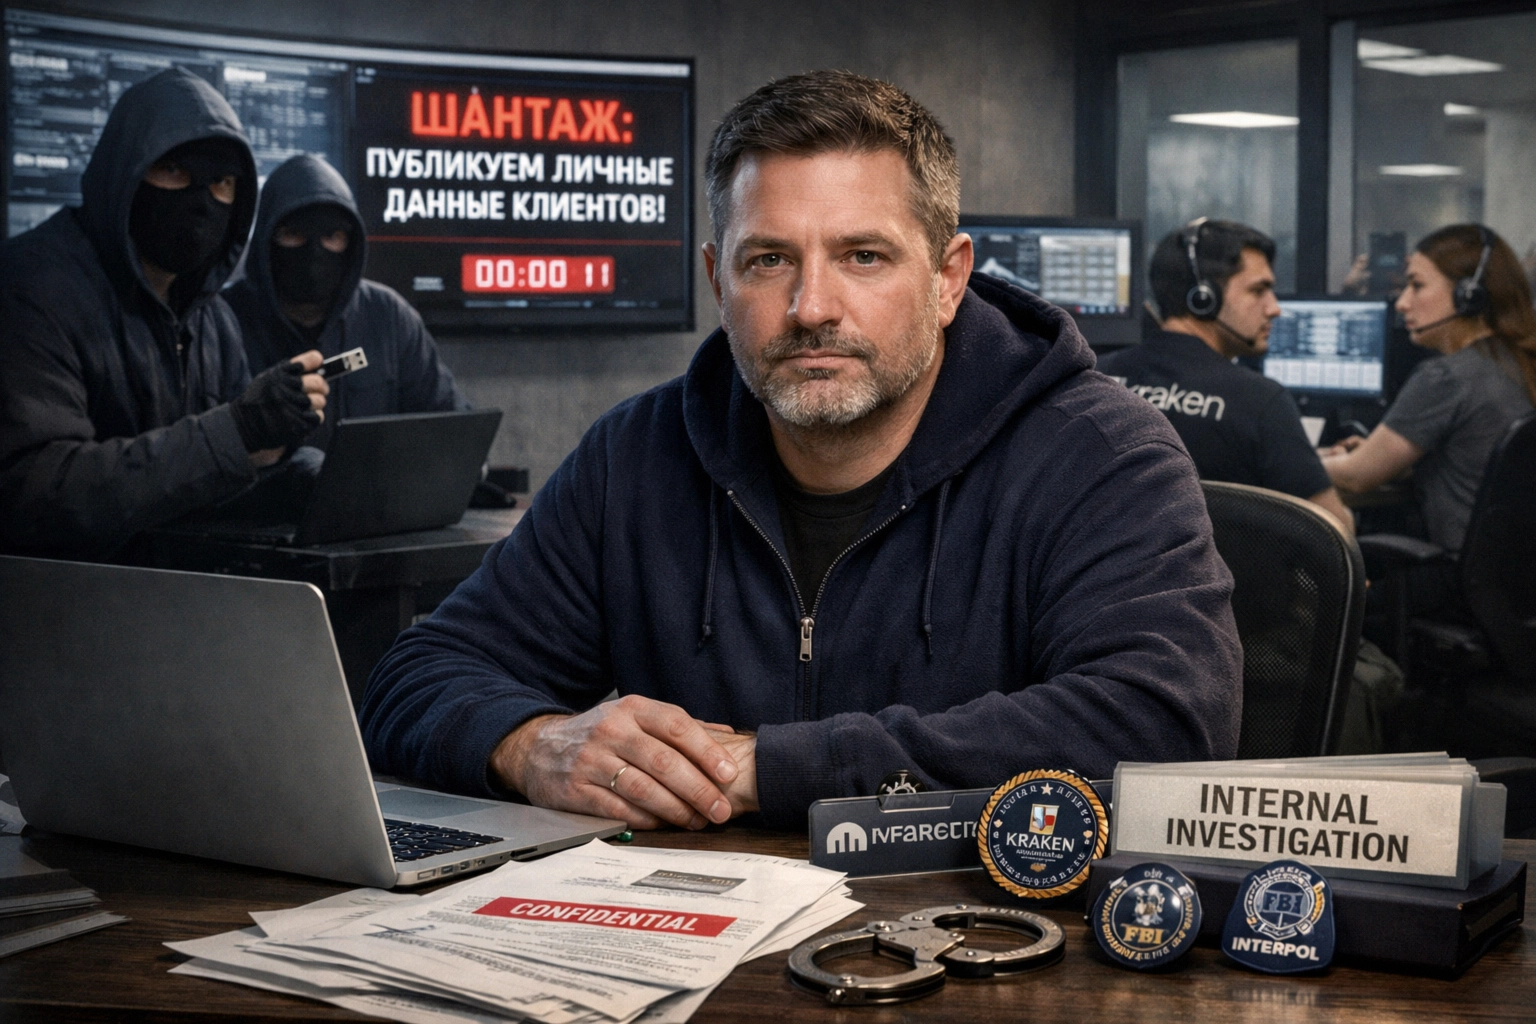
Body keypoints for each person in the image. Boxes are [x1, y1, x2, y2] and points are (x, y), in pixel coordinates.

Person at [361, 70, 1242, 832]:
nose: (811, 305)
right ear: (718, 280)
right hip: (699, 956)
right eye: (769, 260)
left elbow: (1163, 720)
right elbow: (415, 678)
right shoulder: (635, 456)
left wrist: (770, 770)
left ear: (948, 278)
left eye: (863, 256)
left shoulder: (1099, 453)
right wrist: (530, 745)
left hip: (978, 948)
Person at [0, 67, 328, 558]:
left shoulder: (211, 317)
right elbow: (35, 490)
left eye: (220, 182)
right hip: (57, 609)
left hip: (175, 597)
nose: (201, 202)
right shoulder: (30, 286)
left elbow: (210, 480)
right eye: (173, 172)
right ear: (126, 171)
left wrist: (280, 454)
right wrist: (237, 430)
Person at [1100, 219, 1354, 535]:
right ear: (1203, 297)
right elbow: (1335, 532)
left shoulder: (1098, 379)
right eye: (1259, 290)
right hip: (1229, 584)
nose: (1274, 308)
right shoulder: (1261, 402)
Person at [225, 155, 467, 451]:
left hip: (373, 495)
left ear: (351, 244)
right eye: (294, 235)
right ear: (266, 238)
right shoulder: (222, 321)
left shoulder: (389, 319)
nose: (314, 253)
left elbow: (447, 421)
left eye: (332, 236)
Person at [1321, 224, 1536, 553]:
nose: (1402, 303)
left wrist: (1295, 459)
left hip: (1463, 580)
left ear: (1468, 297)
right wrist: (1380, 452)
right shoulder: (1518, 362)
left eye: (1417, 286)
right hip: (1513, 581)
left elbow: (1355, 477)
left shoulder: (1446, 377)